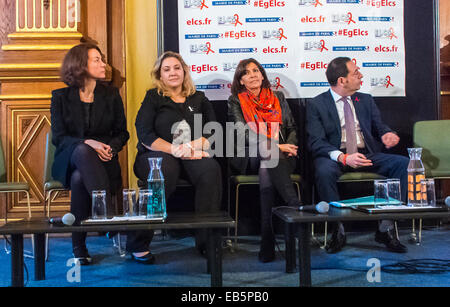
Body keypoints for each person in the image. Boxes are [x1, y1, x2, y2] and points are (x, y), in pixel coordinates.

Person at [51, 43, 153, 265]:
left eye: (102, 59)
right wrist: (90, 143)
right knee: (81, 150)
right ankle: (107, 214)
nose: (103, 64)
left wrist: (110, 148)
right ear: (80, 65)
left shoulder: (111, 94)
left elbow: (122, 133)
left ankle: (79, 247)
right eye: (96, 59)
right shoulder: (60, 96)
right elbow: (58, 137)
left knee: (80, 178)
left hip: (104, 163)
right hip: (69, 159)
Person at [306, 57, 409, 254]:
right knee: (323, 171)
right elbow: (315, 141)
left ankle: (385, 228)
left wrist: (388, 134)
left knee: (403, 164)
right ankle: (338, 229)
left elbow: (380, 127)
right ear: (342, 80)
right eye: (355, 73)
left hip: (365, 153)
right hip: (335, 155)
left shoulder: (365, 100)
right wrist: (343, 157)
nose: (360, 75)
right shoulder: (317, 104)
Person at [134, 51, 222, 256]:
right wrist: (175, 149)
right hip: (156, 155)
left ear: (184, 71)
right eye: (166, 69)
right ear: (160, 75)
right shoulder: (153, 98)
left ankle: (206, 240)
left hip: (192, 154)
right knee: (164, 170)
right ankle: (138, 243)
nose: (172, 72)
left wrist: (190, 147)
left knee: (210, 169)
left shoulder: (198, 97)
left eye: (176, 68)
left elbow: (214, 130)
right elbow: (144, 133)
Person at [228, 58, 300, 263]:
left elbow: (292, 128)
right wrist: (275, 146)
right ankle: (293, 204)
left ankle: (266, 239)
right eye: (247, 72)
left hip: (283, 156)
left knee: (267, 167)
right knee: (266, 152)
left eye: (256, 70)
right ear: (241, 80)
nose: (253, 75)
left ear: (262, 74)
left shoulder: (278, 97)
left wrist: (290, 146)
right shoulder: (236, 100)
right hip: (250, 155)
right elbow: (243, 134)